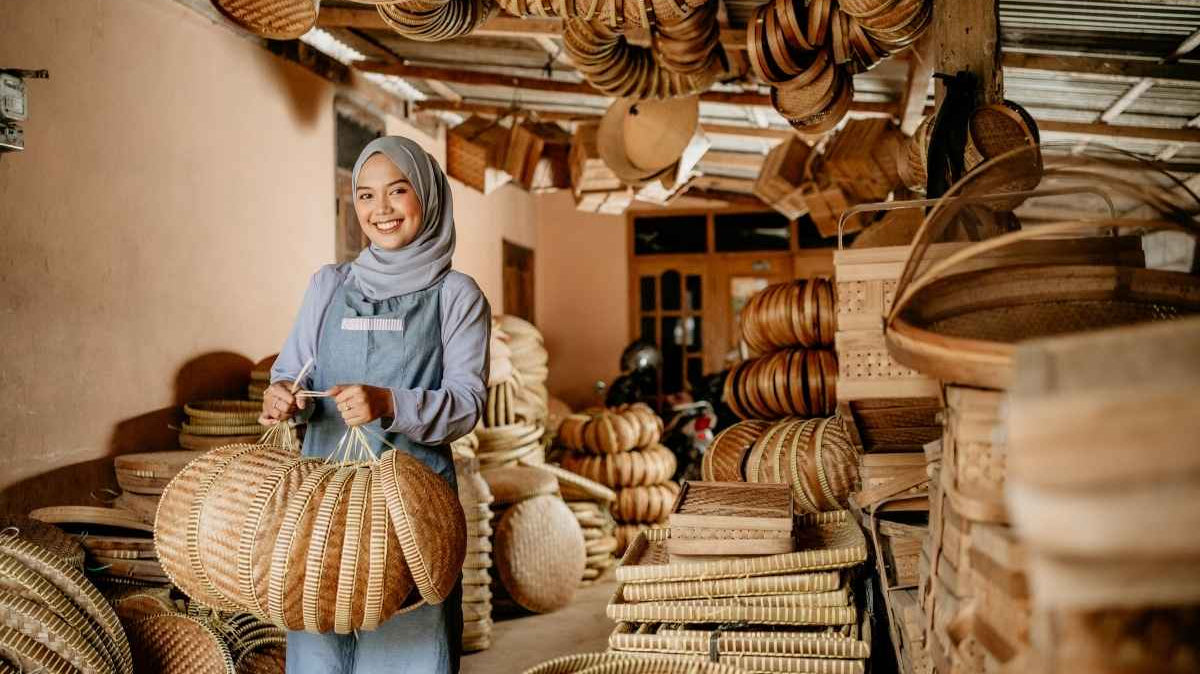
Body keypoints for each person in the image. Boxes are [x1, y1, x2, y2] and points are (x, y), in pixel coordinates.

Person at [258, 136, 490, 674]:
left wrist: (389, 401)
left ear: (428, 197)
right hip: (322, 512)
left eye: (397, 191)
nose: (379, 210)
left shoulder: (457, 295)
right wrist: (283, 397)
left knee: (404, 647)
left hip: (409, 513)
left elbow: (467, 404)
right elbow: (292, 371)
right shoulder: (329, 284)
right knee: (319, 645)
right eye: (365, 195)